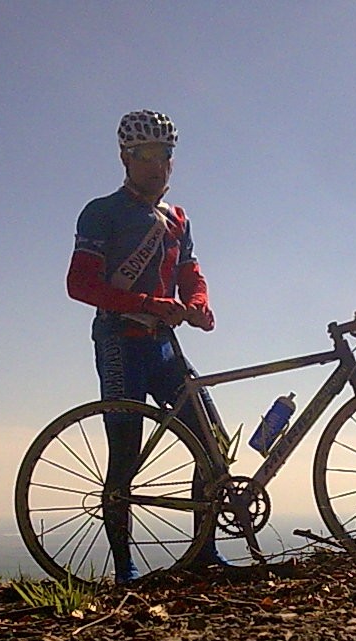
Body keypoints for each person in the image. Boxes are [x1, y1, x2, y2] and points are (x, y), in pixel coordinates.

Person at [66, 110, 227, 583]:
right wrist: (147, 303)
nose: (158, 165)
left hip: (163, 345)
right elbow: (80, 283)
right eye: (147, 155)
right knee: (125, 456)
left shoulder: (177, 219)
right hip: (120, 341)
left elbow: (190, 272)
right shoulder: (102, 212)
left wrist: (198, 303)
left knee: (212, 441)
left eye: (165, 154)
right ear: (126, 158)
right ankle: (125, 570)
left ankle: (204, 552)